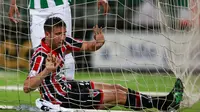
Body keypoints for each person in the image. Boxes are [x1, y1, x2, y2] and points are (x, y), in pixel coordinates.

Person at [23, 17, 184, 111]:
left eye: (64, 33)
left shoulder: (64, 42)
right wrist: (46, 71)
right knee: (117, 96)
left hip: (69, 87)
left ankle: (159, 103)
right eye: (58, 34)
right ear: (47, 34)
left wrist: (98, 43)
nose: (62, 37)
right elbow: (27, 87)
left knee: (117, 88)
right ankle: (164, 104)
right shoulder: (40, 55)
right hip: (60, 99)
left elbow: (88, 46)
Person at [8, 0, 109, 80]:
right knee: (40, 51)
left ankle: (69, 89)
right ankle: (48, 94)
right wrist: (13, 3)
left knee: (64, 46)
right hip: (36, 9)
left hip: (59, 6)